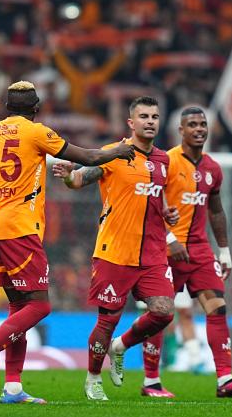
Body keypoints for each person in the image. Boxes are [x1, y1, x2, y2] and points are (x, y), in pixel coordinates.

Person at [0, 80, 135, 404]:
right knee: (40, 305)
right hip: (19, 227)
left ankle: (12, 388)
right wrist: (116, 151)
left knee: (19, 307)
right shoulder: (36, 132)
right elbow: (87, 156)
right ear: (36, 108)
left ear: (7, 108)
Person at [52, 96, 179, 401]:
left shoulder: (164, 161)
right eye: (144, 116)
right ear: (131, 123)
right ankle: (93, 378)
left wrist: (167, 214)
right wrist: (68, 175)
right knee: (107, 321)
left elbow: (156, 200)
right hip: (115, 251)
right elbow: (78, 180)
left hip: (152, 253)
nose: (150, 121)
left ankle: (120, 346)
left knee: (164, 312)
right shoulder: (113, 153)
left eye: (155, 116)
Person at [139, 107, 232, 398]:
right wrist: (169, 238)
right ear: (181, 130)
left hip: (200, 250)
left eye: (202, 124)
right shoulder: (166, 161)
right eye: (192, 124)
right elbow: (148, 205)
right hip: (166, 249)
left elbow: (216, 211)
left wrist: (225, 251)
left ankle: (225, 380)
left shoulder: (213, 168)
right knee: (160, 314)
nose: (199, 129)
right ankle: (151, 381)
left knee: (217, 307)